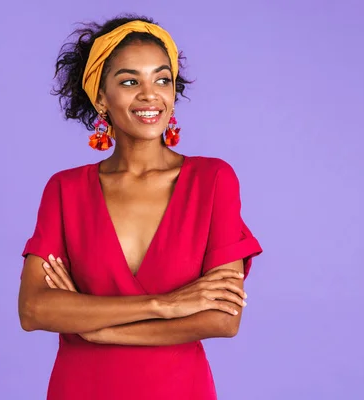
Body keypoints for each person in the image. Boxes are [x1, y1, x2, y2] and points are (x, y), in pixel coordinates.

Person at [18, 14, 263, 400]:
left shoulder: (213, 180)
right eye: (130, 81)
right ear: (100, 97)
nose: (150, 95)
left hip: (180, 389)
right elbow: (34, 309)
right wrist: (164, 305)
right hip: (82, 388)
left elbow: (222, 318)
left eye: (161, 79)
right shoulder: (65, 190)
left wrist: (97, 326)